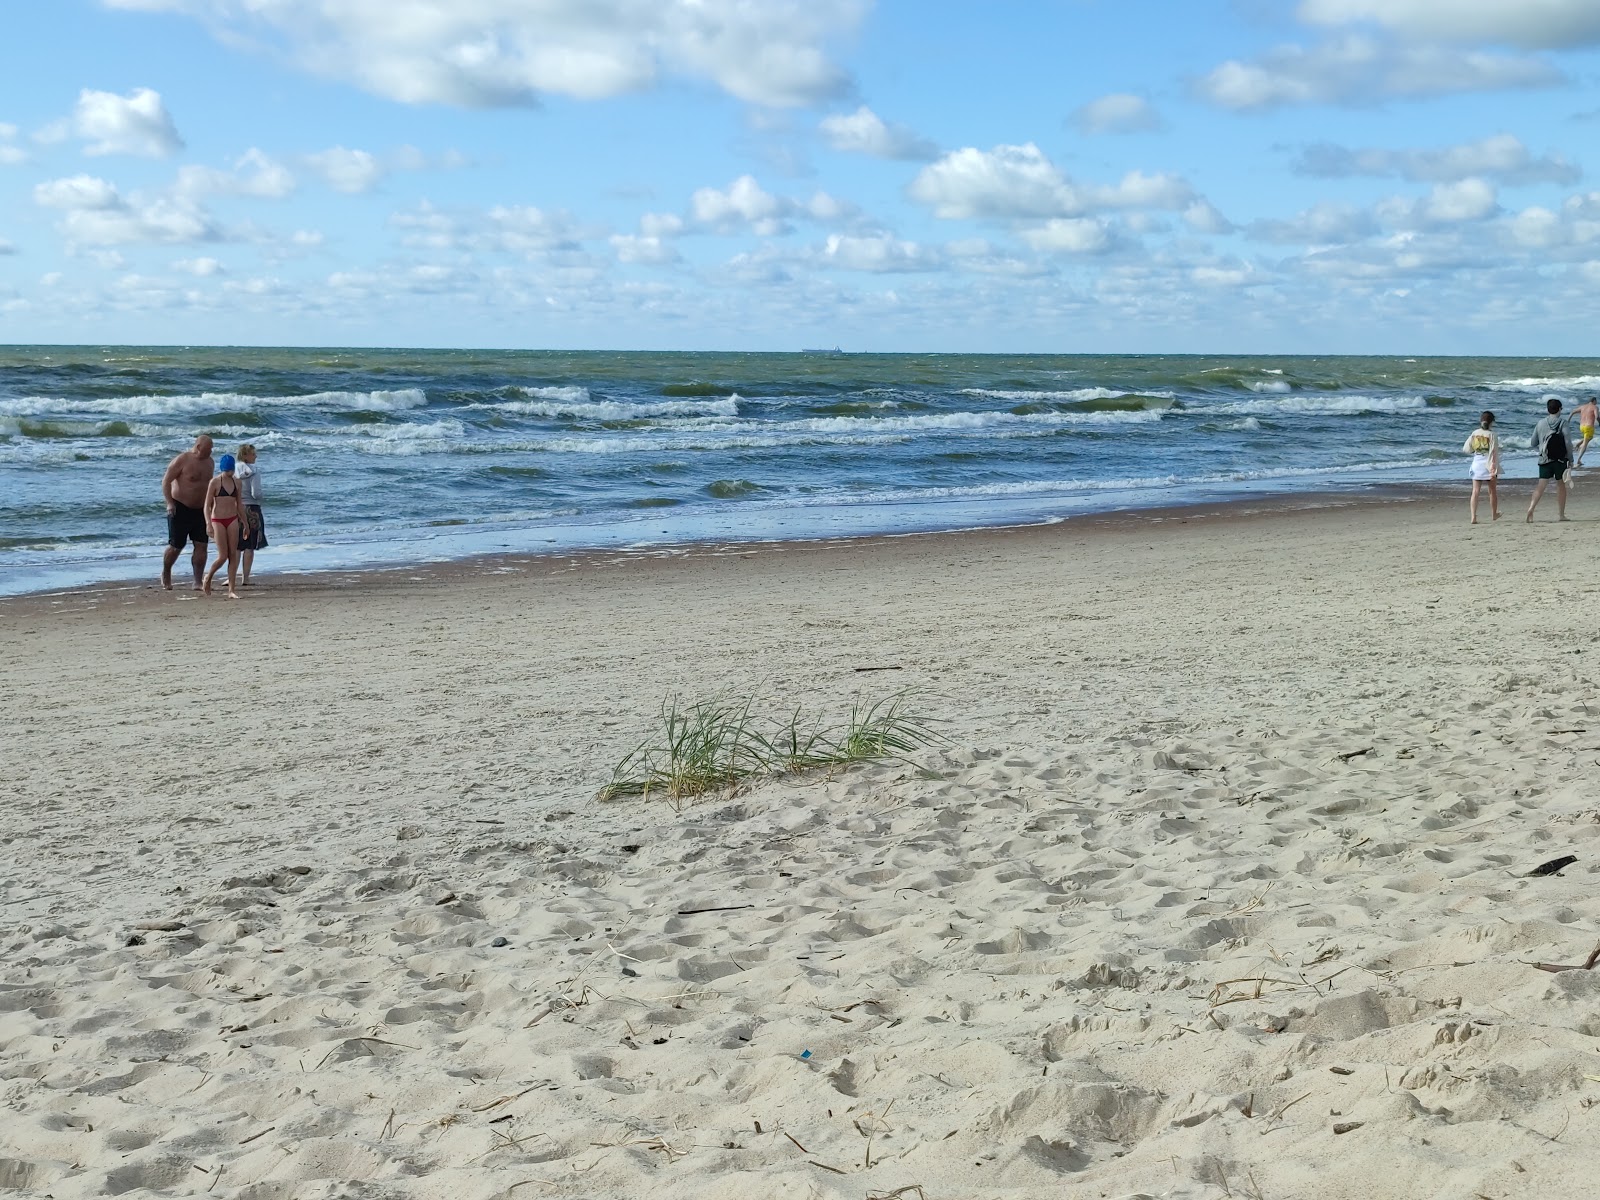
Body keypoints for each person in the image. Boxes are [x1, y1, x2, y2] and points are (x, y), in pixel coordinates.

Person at [161, 434, 214, 590]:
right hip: (180, 507)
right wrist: (169, 503)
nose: (211, 451)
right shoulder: (182, 460)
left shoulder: (210, 462)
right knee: (176, 545)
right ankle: (166, 572)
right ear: (198, 447)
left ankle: (197, 581)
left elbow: (210, 486)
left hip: (201, 509)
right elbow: (166, 481)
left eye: (212, 448)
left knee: (201, 545)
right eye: (208, 448)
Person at [202, 454, 246, 599]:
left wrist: (245, 523)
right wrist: (208, 524)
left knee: (233, 554)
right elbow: (207, 506)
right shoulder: (214, 482)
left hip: (232, 519)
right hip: (218, 520)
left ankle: (231, 590)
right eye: (227, 470)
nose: (230, 473)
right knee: (223, 556)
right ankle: (208, 577)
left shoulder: (237, 483)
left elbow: (239, 504)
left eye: (231, 470)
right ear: (222, 469)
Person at [1527, 398, 1573, 523]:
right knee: (1560, 485)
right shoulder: (1563, 423)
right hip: (1559, 460)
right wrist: (1571, 459)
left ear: (1548, 409)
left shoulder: (1540, 423)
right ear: (1559, 409)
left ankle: (1531, 508)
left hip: (1544, 459)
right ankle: (1561, 515)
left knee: (1541, 485)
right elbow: (1568, 442)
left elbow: (1533, 443)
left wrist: (1543, 447)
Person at [235, 442, 267, 586]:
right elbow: (256, 493)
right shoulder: (254, 470)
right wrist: (262, 497)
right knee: (250, 545)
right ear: (246, 456)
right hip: (251, 509)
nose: (256, 456)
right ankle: (245, 577)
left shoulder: (234, 470)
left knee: (236, 545)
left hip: (236, 508)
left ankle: (231, 576)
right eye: (253, 454)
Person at [1463, 411, 1500, 524]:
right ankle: (1494, 514)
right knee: (1492, 491)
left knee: (1475, 491)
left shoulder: (1475, 433)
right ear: (1491, 422)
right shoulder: (1492, 435)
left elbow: (1466, 449)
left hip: (1476, 464)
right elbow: (1493, 453)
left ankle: (1473, 517)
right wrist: (1493, 469)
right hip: (1488, 465)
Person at [1577, 396, 1599, 467]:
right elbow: (1597, 416)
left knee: (1589, 438)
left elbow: (1572, 412)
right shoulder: (1595, 407)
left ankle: (1578, 444)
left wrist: (1568, 420)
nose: (1597, 402)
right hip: (1589, 426)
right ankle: (1578, 460)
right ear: (1594, 401)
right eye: (1596, 401)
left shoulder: (1583, 407)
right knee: (1585, 443)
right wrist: (1599, 422)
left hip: (1582, 426)